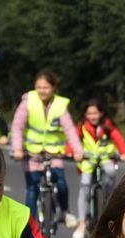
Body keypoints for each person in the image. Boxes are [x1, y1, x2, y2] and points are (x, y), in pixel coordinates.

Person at [11, 69, 83, 225]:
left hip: (54, 154)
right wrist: (17, 149)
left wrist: (78, 151)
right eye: (39, 87)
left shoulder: (60, 105)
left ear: (53, 88)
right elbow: (17, 126)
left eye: (46, 87)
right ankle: (30, 224)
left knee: (61, 183)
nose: (42, 91)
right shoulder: (28, 102)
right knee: (32, 189)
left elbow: (69, 130)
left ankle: (64, 211)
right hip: (32, 154)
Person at [70, 99, 125, 238]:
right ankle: (82, 223)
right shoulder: (81, 126)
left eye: (95, 113)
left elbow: (119, 139)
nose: (93, 116)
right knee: (84, 187)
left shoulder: (108, 125)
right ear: (85, 114)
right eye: (89, 113)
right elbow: (72, 140)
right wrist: (72, 152)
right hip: (87, 160)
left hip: (105, 158)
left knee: (110, 171)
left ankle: (109, 195)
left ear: (101, 113)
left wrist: (124, 152)